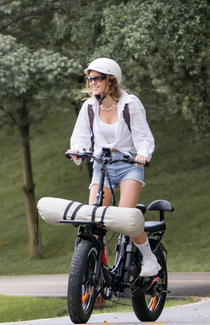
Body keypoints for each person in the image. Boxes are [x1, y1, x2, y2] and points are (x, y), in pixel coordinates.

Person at [67, 58, 160, 277]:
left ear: (111, 80)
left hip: (128, 166)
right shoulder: (89, 107)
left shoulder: (130, 104)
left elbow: (144, 138)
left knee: (125, 220)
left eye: (97, 78)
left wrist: (143, 155)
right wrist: (77, 150)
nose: (93, 83)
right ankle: (96, 267)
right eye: (90, 79)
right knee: (94, 221)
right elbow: (80, 137)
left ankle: (149, 258)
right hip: (102, 168)